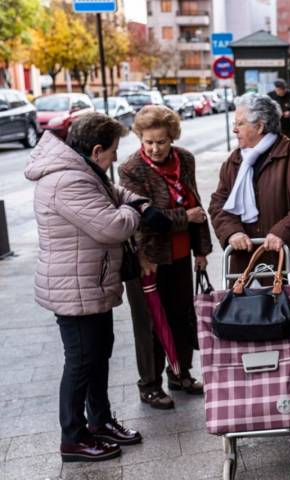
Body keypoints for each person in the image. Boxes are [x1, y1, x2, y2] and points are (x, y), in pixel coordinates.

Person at [25, 113, 147, 462]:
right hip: (74, 286)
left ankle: (100, 421)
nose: (115, 158)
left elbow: (112, 192)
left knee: (99, 353)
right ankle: (73, 438)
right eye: (113, 151)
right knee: (80, 362)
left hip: (89, 281)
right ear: (96, 150)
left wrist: (133, 200)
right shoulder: (68, 181)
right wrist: (136, 213)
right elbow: (111, 226)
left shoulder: (83, 170)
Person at [119, 105, 213, 408]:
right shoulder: (131, 169)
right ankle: (149, 384)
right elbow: (146, 218)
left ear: (171, 137)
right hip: (147, 258)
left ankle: (180, 373)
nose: (155, 148)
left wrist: (201, 250)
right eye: (148, 142)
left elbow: (197, 205)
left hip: (181, 253)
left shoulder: (184, 159)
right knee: (148, 324)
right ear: (140, 139)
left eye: (161, 141)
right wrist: (185, 217)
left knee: (181, 315)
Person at [208, 92, 290, 287]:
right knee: (247, 317)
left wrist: (282, 233)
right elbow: (219, 204)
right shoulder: (234, 161)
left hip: (289, 266)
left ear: (260, 126)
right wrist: (232, 233)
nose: (234, 130)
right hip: (245, 268)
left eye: (240, 124)